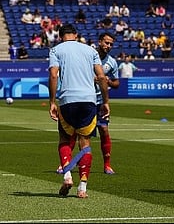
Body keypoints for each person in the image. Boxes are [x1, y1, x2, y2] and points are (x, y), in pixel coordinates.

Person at [48, 23, 109, 199]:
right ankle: (82, 187)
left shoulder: (56, 50)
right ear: (76, 34)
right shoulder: (91, 51)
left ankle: (67, 176)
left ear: (60, 36)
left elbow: (53, 75)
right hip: (89, 100)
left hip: (67, 100)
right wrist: (105, 101)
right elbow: (102, 77)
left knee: (65, 139)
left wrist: (52, 101)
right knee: (85, 143)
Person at [92, 32, 121, 174]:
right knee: (80, 133)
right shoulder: (89, 56)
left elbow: (116, 83)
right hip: (87, 100)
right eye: (106, 42)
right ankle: (67, 163)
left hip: (101, 102)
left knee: (104, 130)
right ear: (99, 42)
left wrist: (106, 80)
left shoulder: (112, 62)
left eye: (111, 44)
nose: (108, 46)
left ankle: (107, 165)